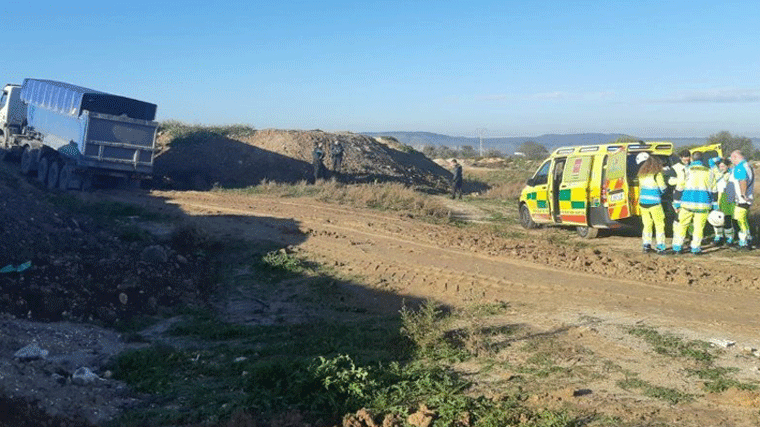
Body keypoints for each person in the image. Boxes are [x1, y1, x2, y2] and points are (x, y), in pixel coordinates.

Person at [671, 151, 717, 254]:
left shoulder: (686, 171)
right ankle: (695, 248)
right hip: (703, 205)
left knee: (682, 225)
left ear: (692, 159)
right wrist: (714, 205)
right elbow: (714, 191)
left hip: (686, 204)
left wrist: (677, 203)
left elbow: (679, 188)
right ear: (702, 160)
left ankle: (677, 247)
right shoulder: (710, 172)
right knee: (698, 228)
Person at [637, 154, 667, 254]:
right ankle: (660, 247)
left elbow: (641, 188)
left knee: (647, 225)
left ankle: (646, 245)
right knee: (659, 225)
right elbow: (663, 188)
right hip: (654, 203)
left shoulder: (642, 174)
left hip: (643, 203)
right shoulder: (657, 174)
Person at [728, 150, 754, 250]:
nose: (731, 161)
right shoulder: (747, 166)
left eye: (732, 159)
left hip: (742, 199)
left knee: (740, 220)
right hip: (746, 199)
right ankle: (748, 239)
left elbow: (742, 181)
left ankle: (744, 242)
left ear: (735, 157)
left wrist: (742, 194)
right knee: (743, 220)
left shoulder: (740, 167)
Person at [714, 158, 735, 245]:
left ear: (727, 166)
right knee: (716, 219)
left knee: (727, 219)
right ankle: (718, 236)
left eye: (723, 166)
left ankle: (729, 238)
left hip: (727, 197)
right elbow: (711, 161)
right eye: (720, 166)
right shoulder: (717, 174)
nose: (721, 168)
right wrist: (719, 158)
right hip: (717, 197)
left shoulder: (731, 173)